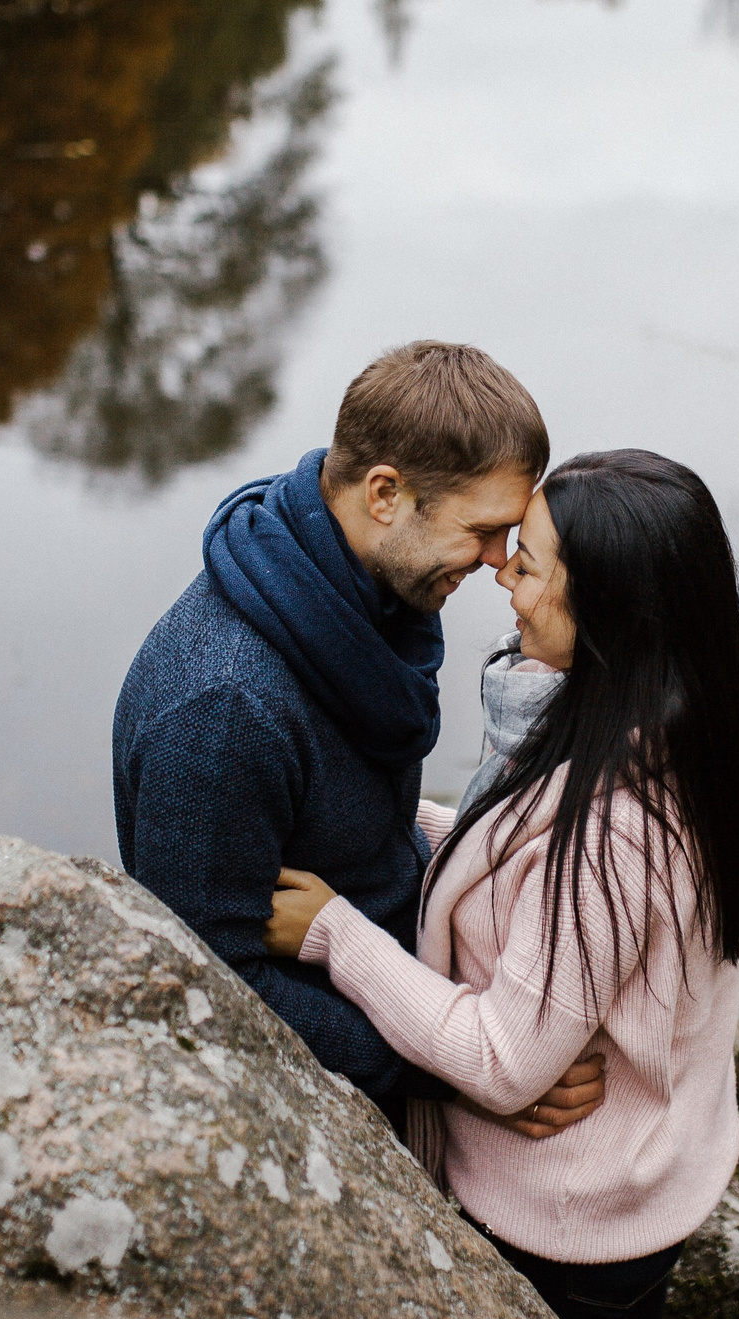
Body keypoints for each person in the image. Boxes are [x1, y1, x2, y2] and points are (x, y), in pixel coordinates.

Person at [265, 450, 739, 1319]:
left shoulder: (620, 830)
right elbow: (521, 853)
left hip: (569, 1232)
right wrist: (401, 821)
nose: (500, 569)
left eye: (528, 562)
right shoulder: (669, 726)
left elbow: (504, 1059)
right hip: (632, 1183)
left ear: (610, 616)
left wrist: (338, 932)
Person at [114, 341, 604, 1137]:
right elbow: (212, 987)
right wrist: (452, 1073)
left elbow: (367, 828)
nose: (495, 562)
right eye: (482, 531)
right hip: (333, 1107)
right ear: (384, 492)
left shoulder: (366, 596)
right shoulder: (224, 710)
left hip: (415, 997)